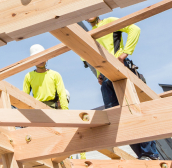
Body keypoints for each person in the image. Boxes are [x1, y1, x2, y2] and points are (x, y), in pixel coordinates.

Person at [86, 16, 160, 160]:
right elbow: (88, 57)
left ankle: (150, 154)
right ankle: (142, 155)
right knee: (119, 119)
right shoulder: (89, 35)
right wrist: (98, 74)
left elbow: (134, 29)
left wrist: (125, 53)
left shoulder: (109, 22)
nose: (88, 16)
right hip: (106, 79)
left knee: (134, 111)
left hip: (120, 71)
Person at [23, 44, 69, 109]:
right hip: (37, 109)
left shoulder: (55, 75)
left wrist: (65, 111)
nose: (40, 60)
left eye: (42, 57)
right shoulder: (29, 76)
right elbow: (25, 96)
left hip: (53, 109)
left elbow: (62, 94)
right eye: (37, 58)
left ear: (46, 58)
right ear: (32, 60)